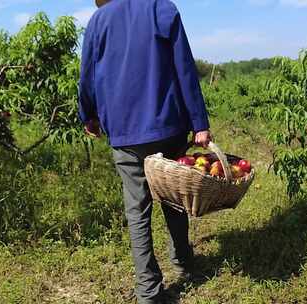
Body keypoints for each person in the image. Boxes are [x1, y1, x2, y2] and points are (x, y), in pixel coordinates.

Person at [78, 0, 212, 303]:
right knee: (174, 197)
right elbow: (185, 67)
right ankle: (183, 261)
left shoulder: (99, 20)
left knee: (137, 209)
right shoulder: (161, 8)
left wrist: (88, 114)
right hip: (169, 126)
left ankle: (148, 291)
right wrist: (199, 122)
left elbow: (87, 74)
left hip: (125, 132)